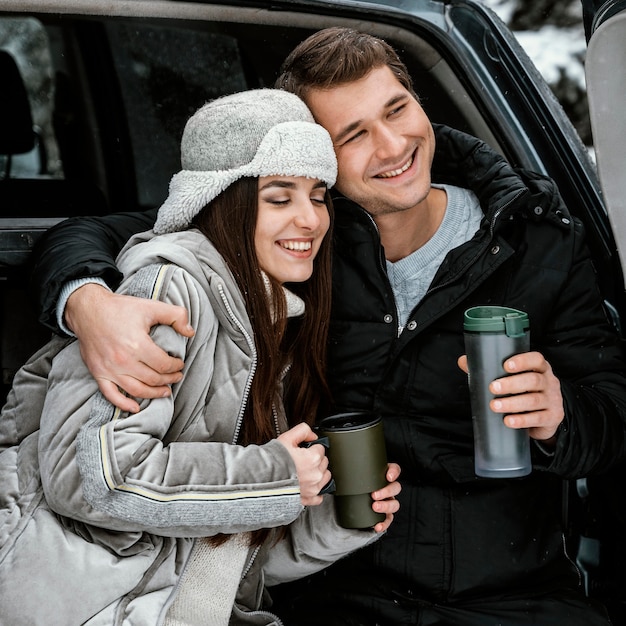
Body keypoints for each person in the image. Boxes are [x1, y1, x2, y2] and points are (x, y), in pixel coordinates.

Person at [25, 27, 626, 625]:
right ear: (317, 153)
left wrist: (560, 415)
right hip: (330, 588)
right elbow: (123, 233)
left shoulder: (536, 238)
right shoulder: (297, 237)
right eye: (354, 135)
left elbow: (612, 418)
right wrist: (86, 301)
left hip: (515, 595)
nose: (392, 147)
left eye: (397, 109)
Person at [0, 88, 401, 626]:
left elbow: (223, 546)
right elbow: (97, 482)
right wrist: (275, 476)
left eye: (319, 195)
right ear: (223, 200)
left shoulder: (270, 314)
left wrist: (335, 519)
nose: (310, 219)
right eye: (279, 197)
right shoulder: (166, 292)